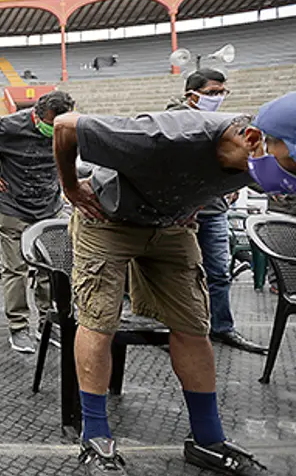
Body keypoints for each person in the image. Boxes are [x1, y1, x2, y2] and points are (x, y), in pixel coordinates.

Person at [52, 93, 296, 475]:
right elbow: (66, 125)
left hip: (169, 225)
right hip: (107, 218)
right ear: (252, 139)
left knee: (194, 325)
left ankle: (207, 439)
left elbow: (203, 180)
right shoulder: (166, 135)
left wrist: (188, 203)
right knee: (99, 320)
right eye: (294, 161)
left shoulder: (260, 158)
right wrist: (69, 186)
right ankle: (95, 435)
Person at [0, 91, 75, 354]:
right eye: (50, 123)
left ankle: (49, 321)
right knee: (16, 269)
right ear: (37, 116)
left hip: (50, 206)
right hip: (14, 208)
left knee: (54, 268)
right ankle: (18, 326)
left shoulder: (69, 126)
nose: (55, 129)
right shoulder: (10, 127)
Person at [166, 69, 266, 354]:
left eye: (222, 92)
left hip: (214, 210)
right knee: (180, 273)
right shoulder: (174, 121)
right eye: (212, 93)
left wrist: (229, 184)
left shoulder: (225, 124)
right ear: (191, 95)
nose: (219, 98)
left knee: (219, 272)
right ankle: (178, 332)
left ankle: (221, 327)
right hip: (182, 214)